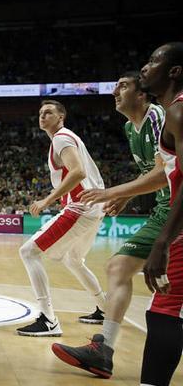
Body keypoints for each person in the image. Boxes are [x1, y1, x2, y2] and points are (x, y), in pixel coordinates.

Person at [53, 72, 170, 378]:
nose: (115, 91)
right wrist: (128, 198)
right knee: (118, 267)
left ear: (142, 95)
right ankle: (103, 351)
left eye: (123, 86)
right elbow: (152, 174)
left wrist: (113, 192)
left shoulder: (156, 117)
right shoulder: (131, 128)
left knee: (169, 300)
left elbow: (164, 174)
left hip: (176, 211)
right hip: (164, 209)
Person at [16, 100, 107, 337]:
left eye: (49, 113)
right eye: (40, 113)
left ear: (61, 117)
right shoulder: (69, 137)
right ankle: (106, 309)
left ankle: (48, 319)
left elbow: (78, 172)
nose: (42, 116)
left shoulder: (61, 138)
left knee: (28, 252)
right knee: (74, 260)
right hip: (94, 208)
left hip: (80, 208)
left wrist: (47, 200)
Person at [134, 43, 183, 386]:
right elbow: (163, 174)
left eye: (154, 61)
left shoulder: (178, 113)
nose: (145, 67)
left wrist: (163, 241)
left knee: (165, 309)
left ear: (174, 71)